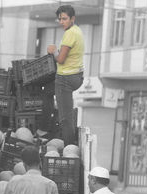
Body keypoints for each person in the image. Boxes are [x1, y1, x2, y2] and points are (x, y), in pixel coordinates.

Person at [47, 4, 84, 145]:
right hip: (77, 76)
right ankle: (45, 128)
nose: (62, 22)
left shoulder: (70, 34)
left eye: (64, 19)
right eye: (60, 19)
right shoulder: (77, 31)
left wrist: (53, 50)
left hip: (65, 78)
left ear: (72, 18)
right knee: (47, 93)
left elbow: (60, 59)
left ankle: (69, 146)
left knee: (65, 117)